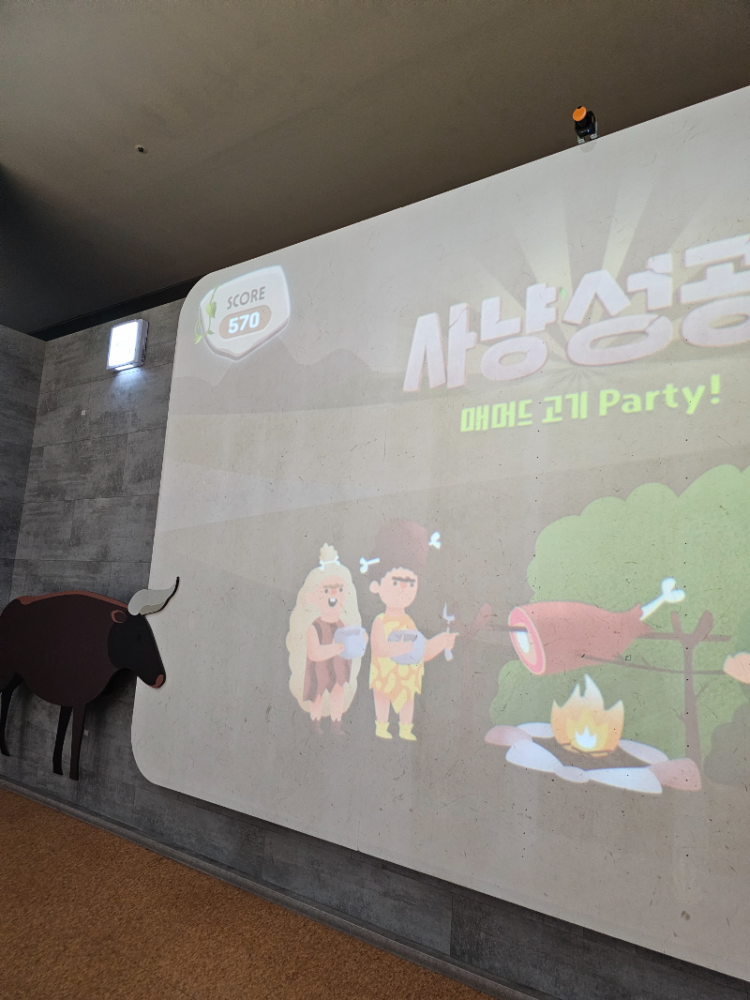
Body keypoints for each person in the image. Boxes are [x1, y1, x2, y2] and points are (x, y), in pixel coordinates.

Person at [364, 520, 456, 741]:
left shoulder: (410, 622)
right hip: (385, 678)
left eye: (411, 583)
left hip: (407, 680)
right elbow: (380, 648)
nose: (404, 589)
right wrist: (404, 646)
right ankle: (382, 726)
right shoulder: (379, 621)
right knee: (382, 700)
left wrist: (442, 641)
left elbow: (423, 650)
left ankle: (405, 729)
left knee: (407, 702)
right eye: (397, 582)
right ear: (377, 585)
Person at [287, 544, 365, 735]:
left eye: (339, 590)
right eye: (327, 590)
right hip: (319, 669)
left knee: (338, 693)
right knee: (318, 695)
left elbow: (352, 645)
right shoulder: (314, 627)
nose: (333, 595)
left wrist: (361, 640)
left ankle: (337, 724)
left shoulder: (342, 624)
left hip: (338, 668)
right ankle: (315, 725)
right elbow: (314, 653)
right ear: (313, 598)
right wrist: (337, 648)